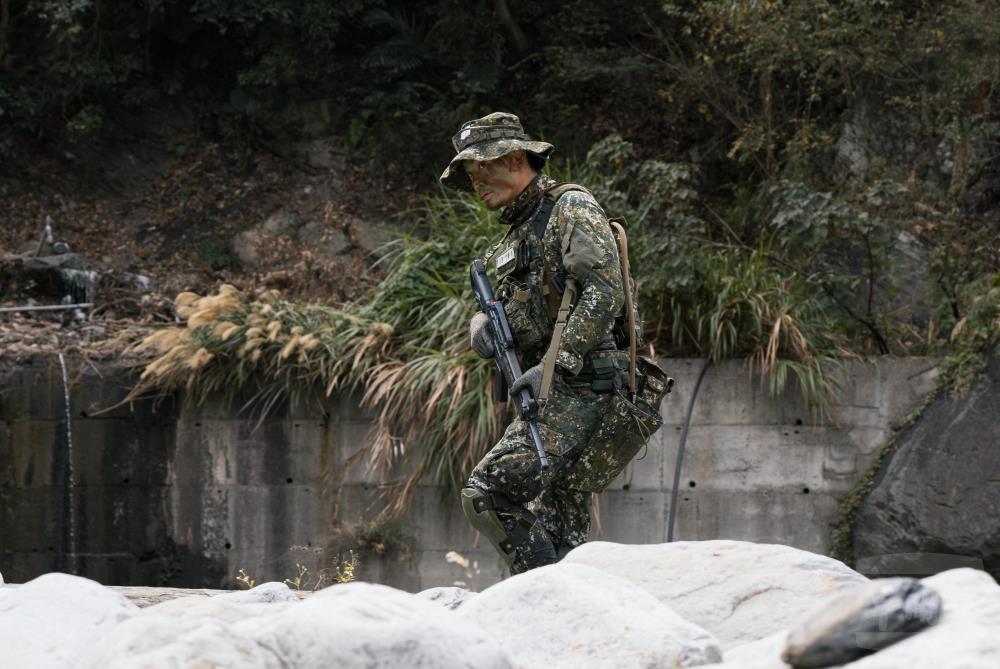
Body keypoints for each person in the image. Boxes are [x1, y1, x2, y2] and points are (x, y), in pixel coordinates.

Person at [440, 112, 637, 575]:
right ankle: (562, 620)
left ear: (513, 157)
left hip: (583, 384)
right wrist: (483, 327)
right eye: (469, 175)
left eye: (480, 169)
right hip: (550, 391)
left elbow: (604, 290)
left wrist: (558, 363)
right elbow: (519, 314)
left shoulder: (570, 207)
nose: (475, 182)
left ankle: (536, 595)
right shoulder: (508, 242)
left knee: (486, 492)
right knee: (561, 532)